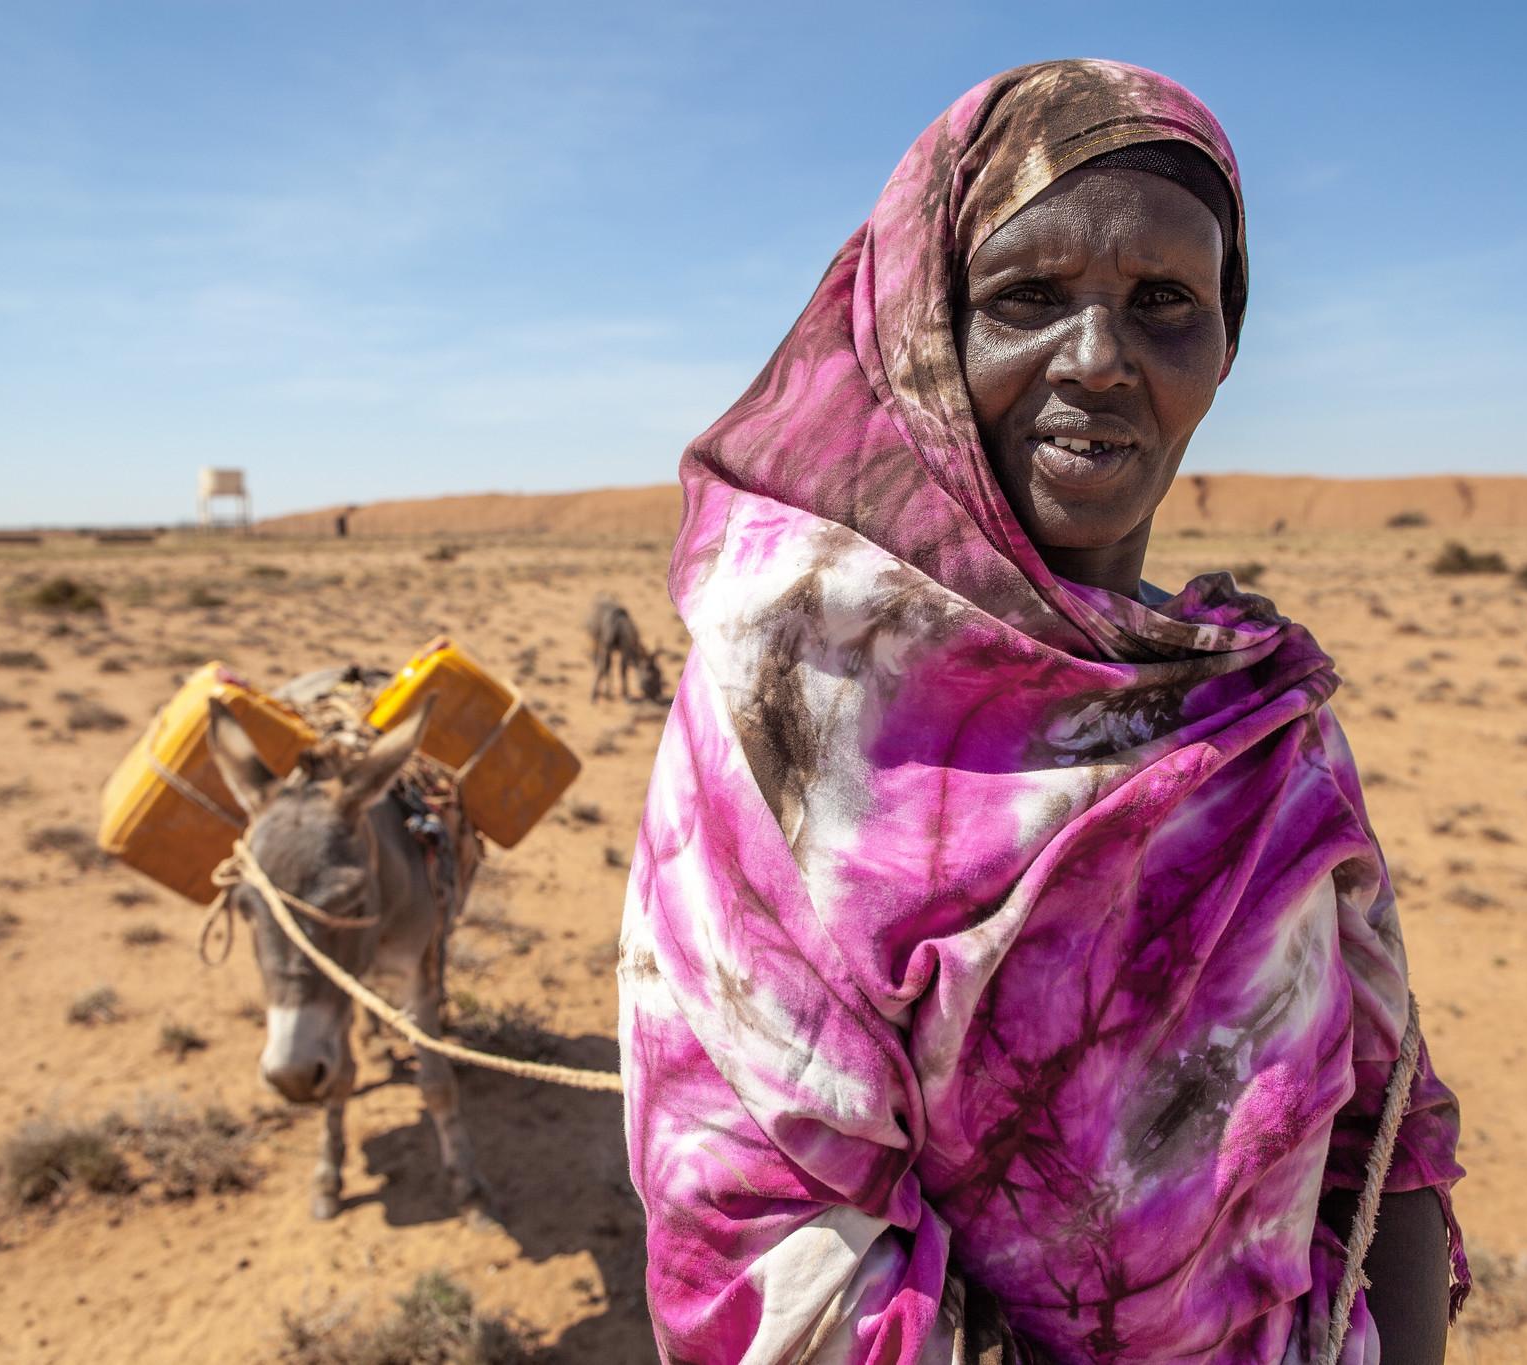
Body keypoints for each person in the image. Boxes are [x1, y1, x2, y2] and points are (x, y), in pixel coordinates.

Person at [618, 59, 1465, 1364]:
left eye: (1164, 303)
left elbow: (1392, 1124)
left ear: (1226, 345)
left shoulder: (1259, 722)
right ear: (923, 331)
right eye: (1026, 297)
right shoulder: (788, 731)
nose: (1099, 360)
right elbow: (768, 1260)